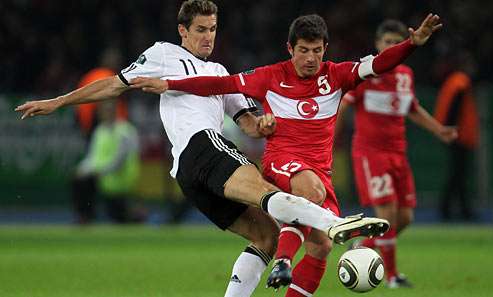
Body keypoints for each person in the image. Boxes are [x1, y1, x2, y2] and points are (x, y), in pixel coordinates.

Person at [15, 1, 388, 296]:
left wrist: (265, 126)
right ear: (182, 31)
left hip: (189, 177)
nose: (208, 36)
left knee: (267, 236)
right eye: (200, 29)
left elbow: (248, 123)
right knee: (267, 193)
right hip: (200, 146)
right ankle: (336, 222)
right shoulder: (163, 54)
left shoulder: (220, 74)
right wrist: (58, 101)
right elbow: (115, 84)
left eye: (212, 29)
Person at [128, 12, 442, 295]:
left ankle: (301, 255)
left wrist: (411, 45)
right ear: (290, 49)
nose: (310, 58)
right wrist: (168, 82)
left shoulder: (338, 75)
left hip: (321, 170)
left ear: (325, 49)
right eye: (303, 50)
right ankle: (283, 260)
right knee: (310, 190)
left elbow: (379, 63)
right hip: (283, 162)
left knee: (321, 247)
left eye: (317, 51)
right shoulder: (270, 75)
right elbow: (218, 83)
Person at [338, 20, 458, 288]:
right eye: (387, 42)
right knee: (388, 214)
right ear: (378, 44)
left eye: (396, 42)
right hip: (371, 153)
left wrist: (439, 130)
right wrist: (328, 142)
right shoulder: (366, 73)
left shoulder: (405, 75)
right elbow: (343, 108)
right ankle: (392, 277)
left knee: (405, 218)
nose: (391, 47)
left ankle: (362, 246)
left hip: (398, 153)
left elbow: (412, 108)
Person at [73, 100, 142, 224]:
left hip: (121, 179)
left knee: (121, 218)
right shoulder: (100, 131)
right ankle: (85, 216)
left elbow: (120, 161)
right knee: (79, 180)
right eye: (104, 111)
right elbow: (92, 157)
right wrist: (82, 169)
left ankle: (134, 213)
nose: (106, 113)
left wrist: (100, 172)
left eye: (109, 110)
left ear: (115, 111)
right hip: (104, 179)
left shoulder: (125, 131)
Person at [434, 51, 479, 221]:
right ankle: (454, 210)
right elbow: (454, 109)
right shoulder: (461, 82)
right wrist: (451, 131)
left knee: (457, 174)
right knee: (458, 174)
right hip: (460, 136)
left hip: (456, 134)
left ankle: (454, 209)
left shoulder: (453, 81)